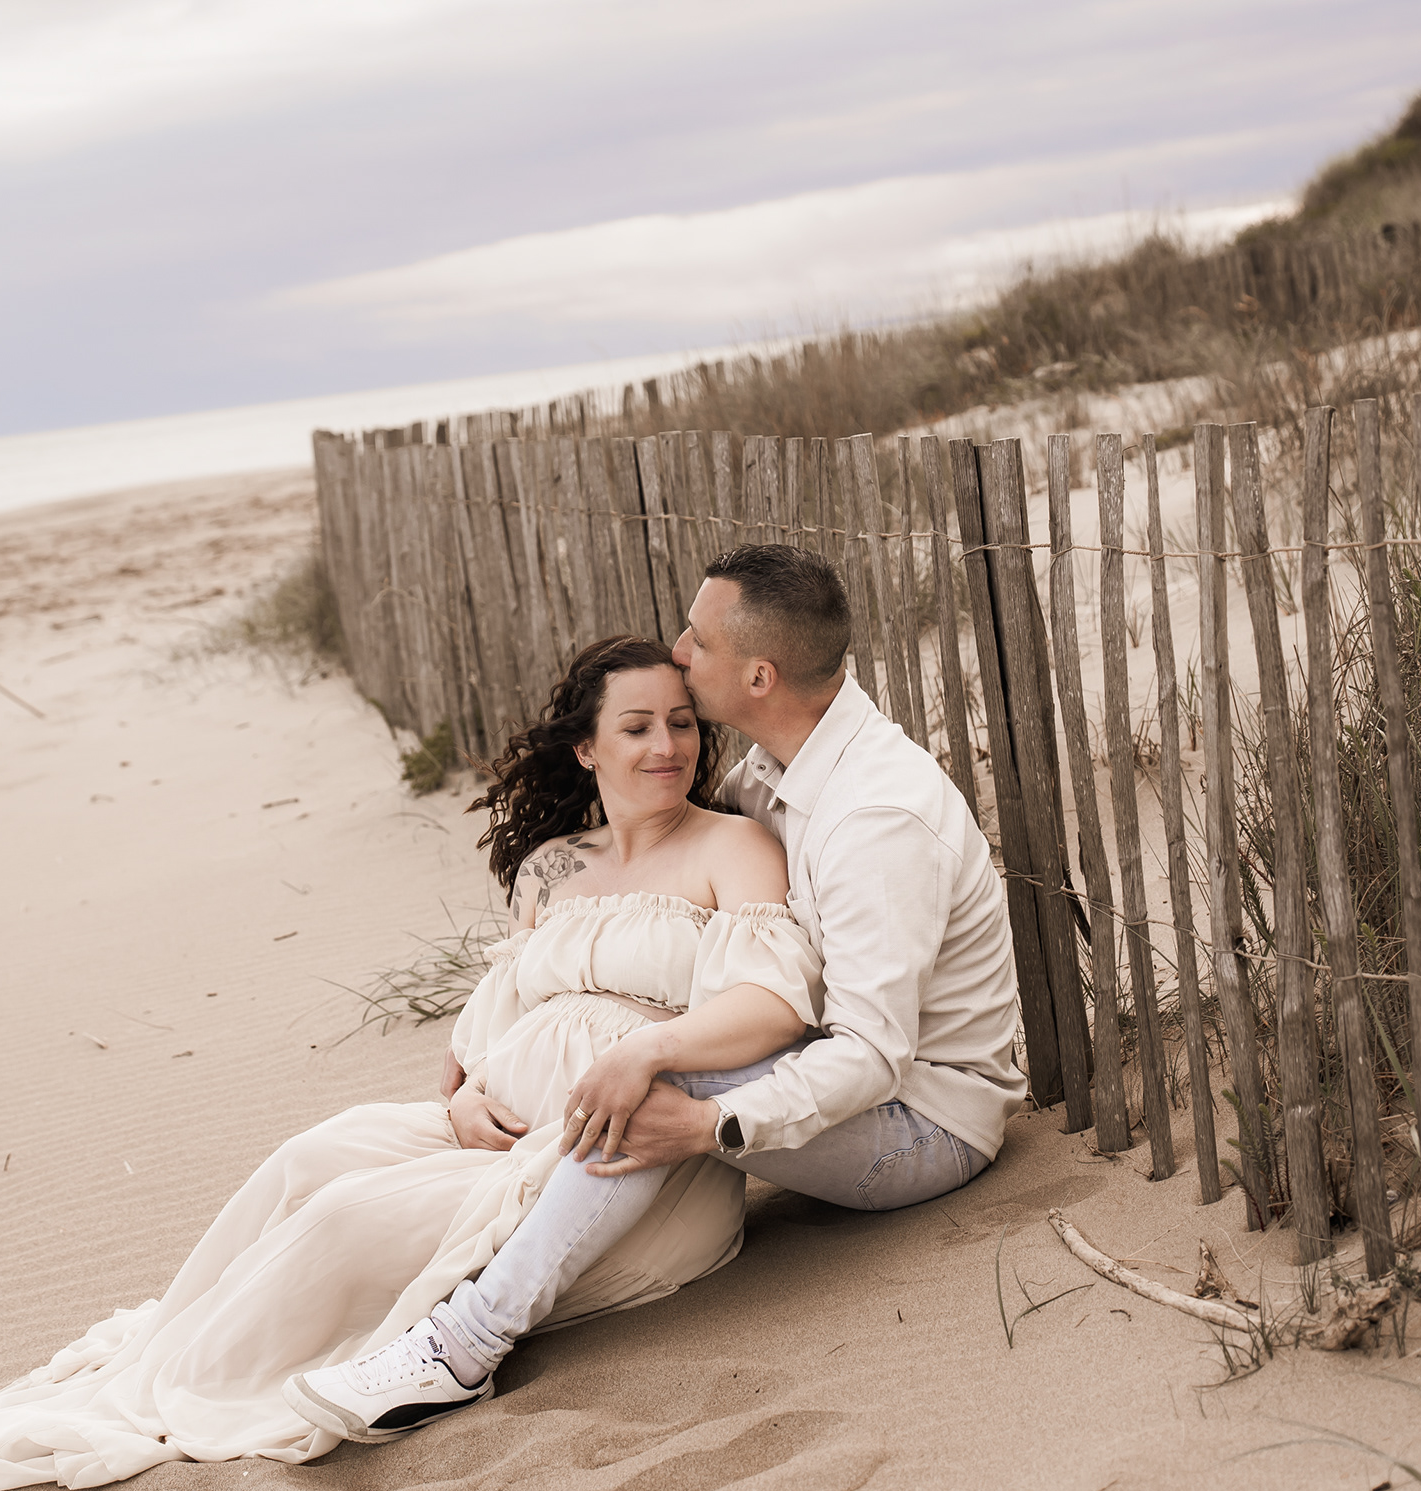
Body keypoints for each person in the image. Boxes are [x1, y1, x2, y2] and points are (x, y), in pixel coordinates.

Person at [0, 636, 821, 1491]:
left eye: (684, 724)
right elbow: (493, 1024)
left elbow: (772, 1006)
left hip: (618, 1163)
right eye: (638, 726)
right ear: (586, 750)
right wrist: (461, 1107)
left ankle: (250, 1377)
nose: (669, 745)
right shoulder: (549, 869)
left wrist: (642, 1048)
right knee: (306, 1158)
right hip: (497, 1128)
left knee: (344, 1217)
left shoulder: (731, 846)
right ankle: (178, 1352)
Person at [311, 544, 1023, 1443]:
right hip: (833, 1079)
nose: (679, 649)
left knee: (663, 1082)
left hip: (925, 1125)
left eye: (697, 638)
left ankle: (461, 1347)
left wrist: (702, 1120)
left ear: (758, 674)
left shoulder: (875, 818)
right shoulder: (773, 771)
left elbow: (876, 1056)